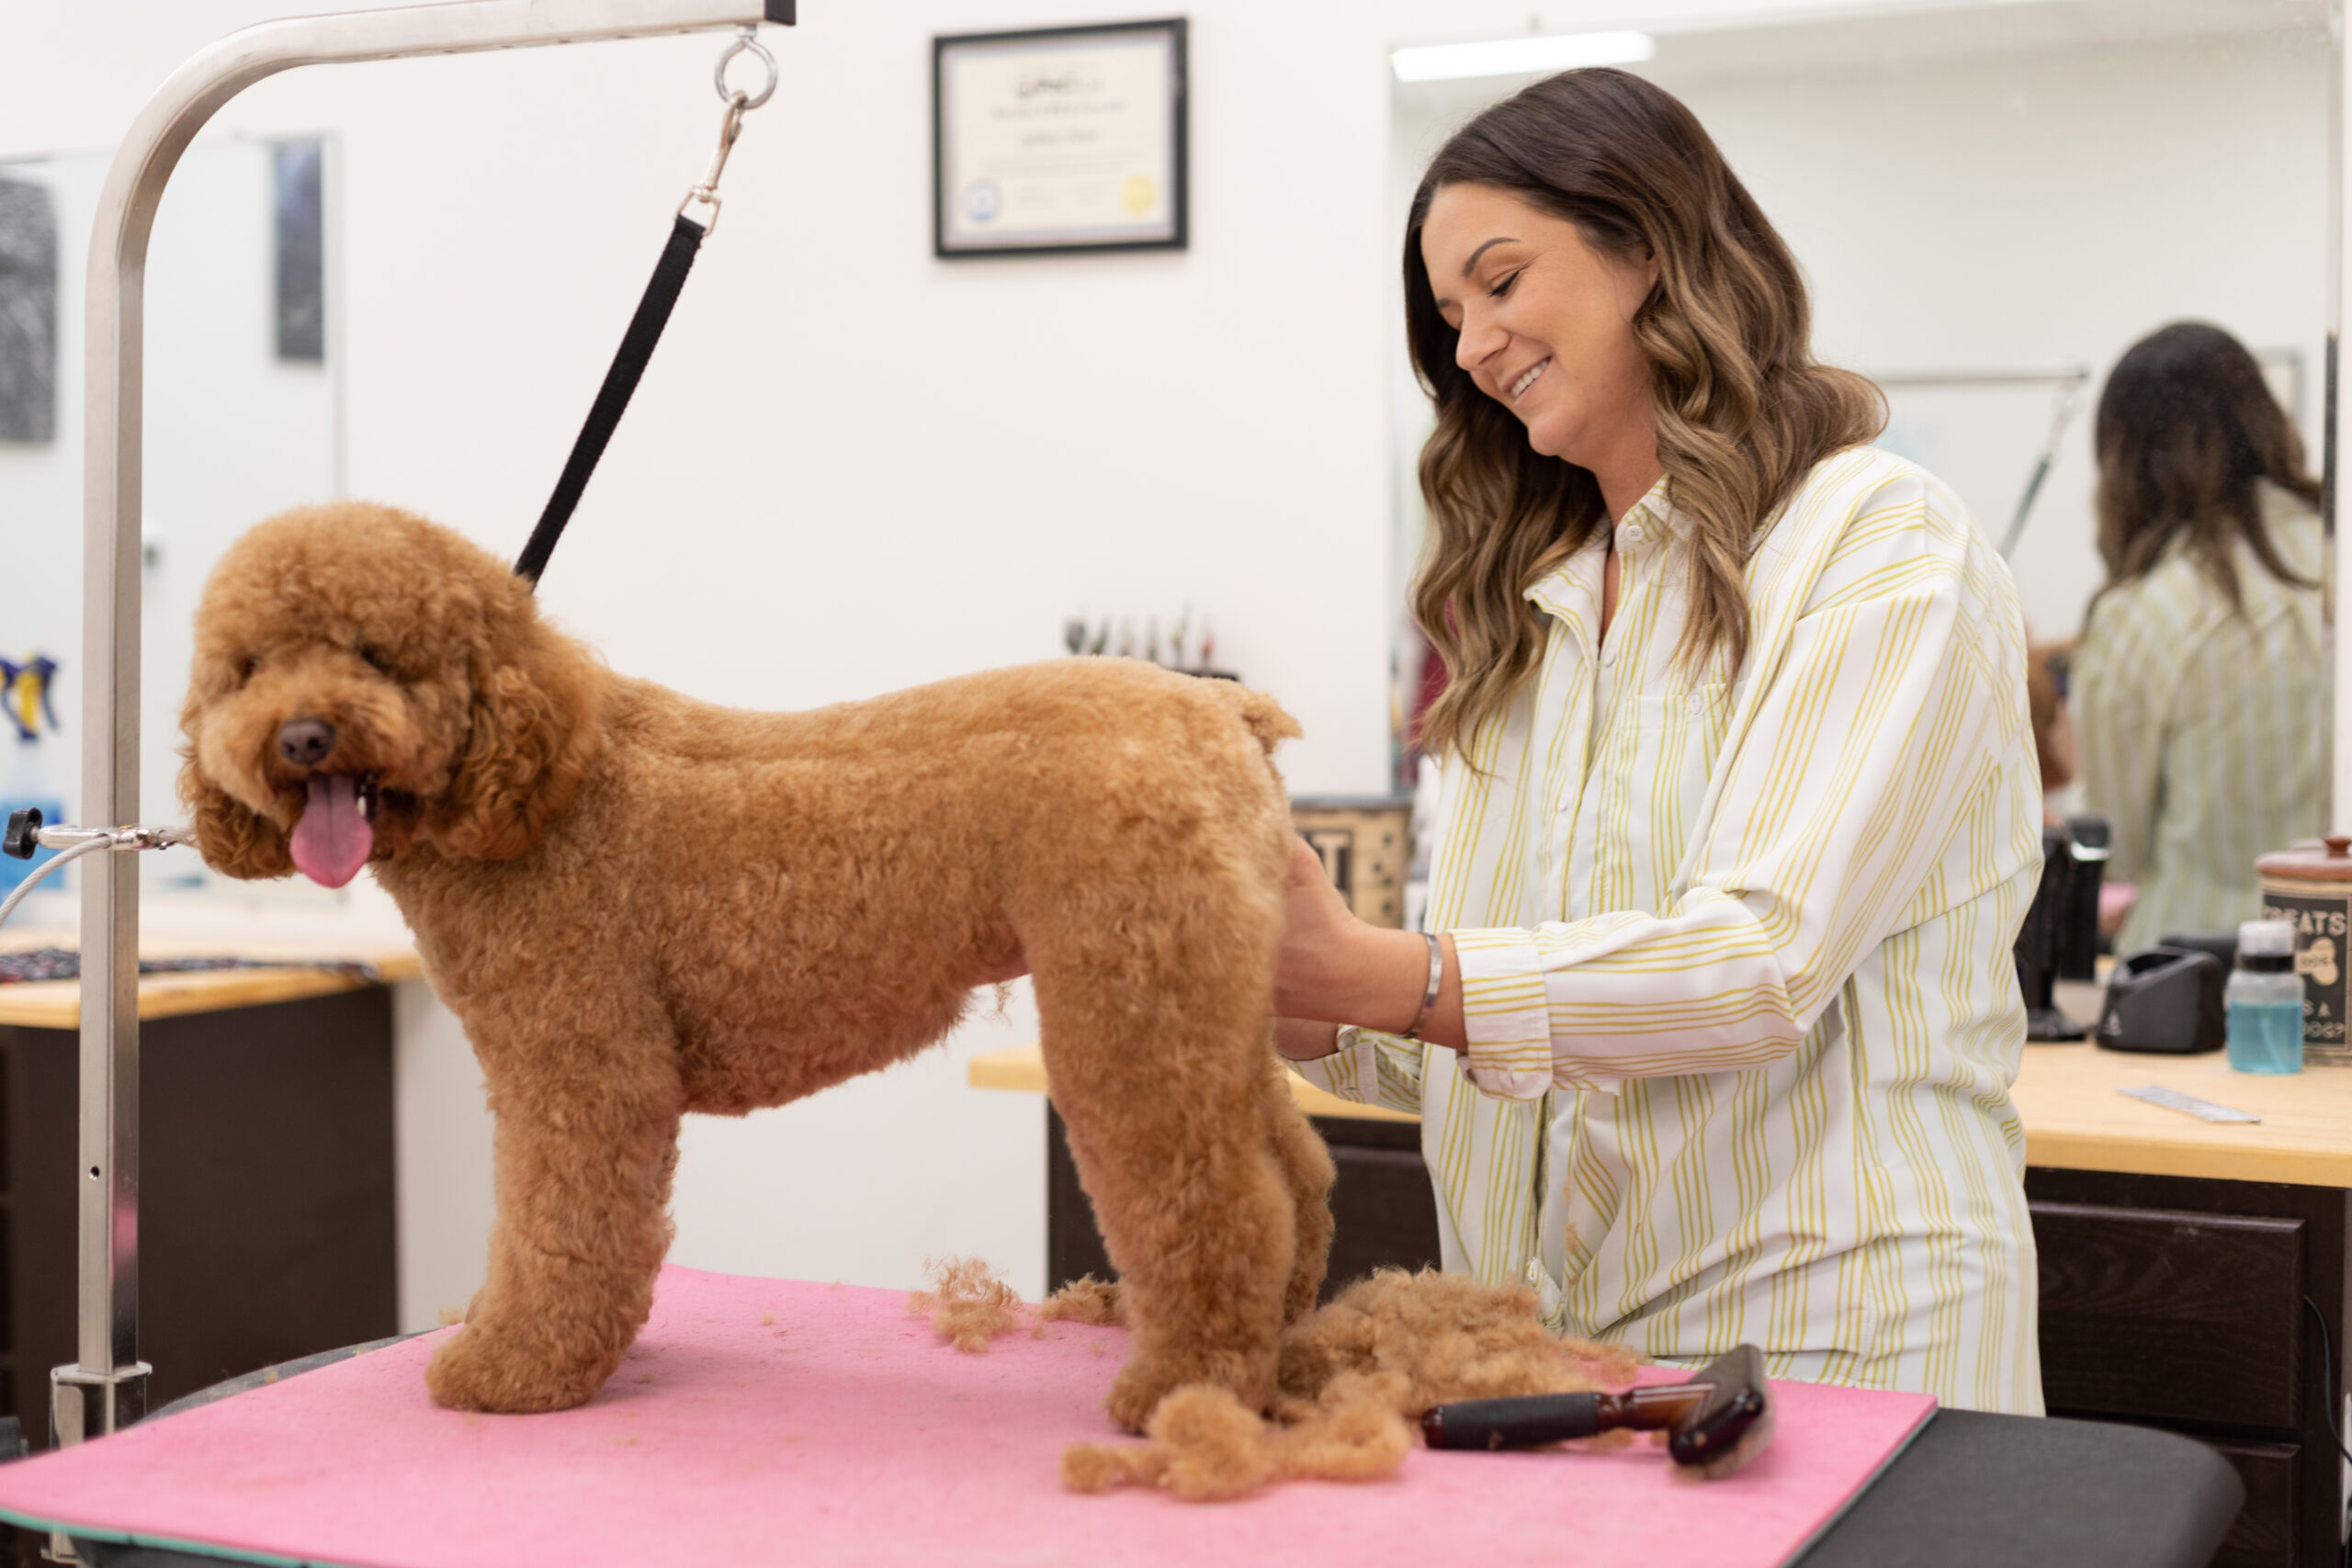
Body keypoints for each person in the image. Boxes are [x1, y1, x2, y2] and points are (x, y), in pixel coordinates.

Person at [1272, 69, 2045, 1415]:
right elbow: (1527, 1038)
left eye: (1501, 282)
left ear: (1647, 245)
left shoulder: (1876, 542)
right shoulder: (1536, 616)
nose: (1473, 347)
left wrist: (1387, 969)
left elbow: (1754, 966)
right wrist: (1307, 1002)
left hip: (1842, 1344)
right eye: (1450, 319)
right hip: (1574, 1365)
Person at [2072, 322, 2328, 953]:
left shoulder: (2141, 616)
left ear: (2124, 463)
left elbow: (2114, 849)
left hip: (2194, 970)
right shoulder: (2333, 560)